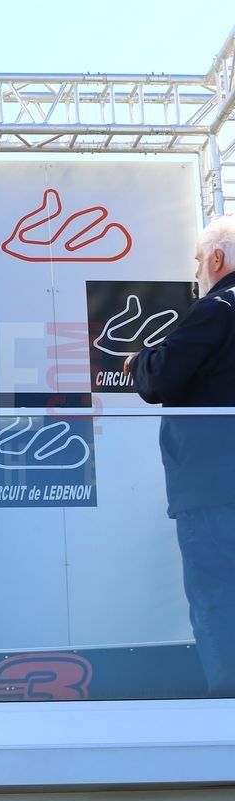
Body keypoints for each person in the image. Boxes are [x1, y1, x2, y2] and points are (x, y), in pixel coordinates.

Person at [127, 214, 235, 695]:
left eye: (197, 259)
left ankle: (227, 710)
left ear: (217, 258)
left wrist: (138, 361)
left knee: (218, 601)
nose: (196, 270)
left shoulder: (217, 309)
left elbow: (159, 378)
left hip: (214, 491)